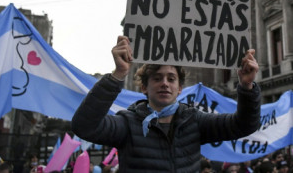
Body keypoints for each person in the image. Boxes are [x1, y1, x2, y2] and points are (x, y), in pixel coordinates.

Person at [72, 35, 261, 172]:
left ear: (179, 88)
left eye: (171, 79)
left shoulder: (194, 121)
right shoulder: (127, 123)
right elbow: (84, 127)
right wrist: (117, 75)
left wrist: (246, 86)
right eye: (157, 78)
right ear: (144, 87)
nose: (165, 83)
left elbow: (244, 125)